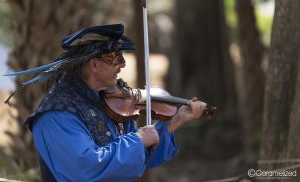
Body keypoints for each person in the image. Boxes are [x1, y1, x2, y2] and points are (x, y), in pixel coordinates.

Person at [5, 24, 207, 182]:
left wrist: (172, 123)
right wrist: (137, 140)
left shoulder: (110, 101)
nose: (122, 65)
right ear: (93, 65)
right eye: (115, 58)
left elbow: (135, 160)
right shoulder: (57, 114)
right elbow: (87, 170)